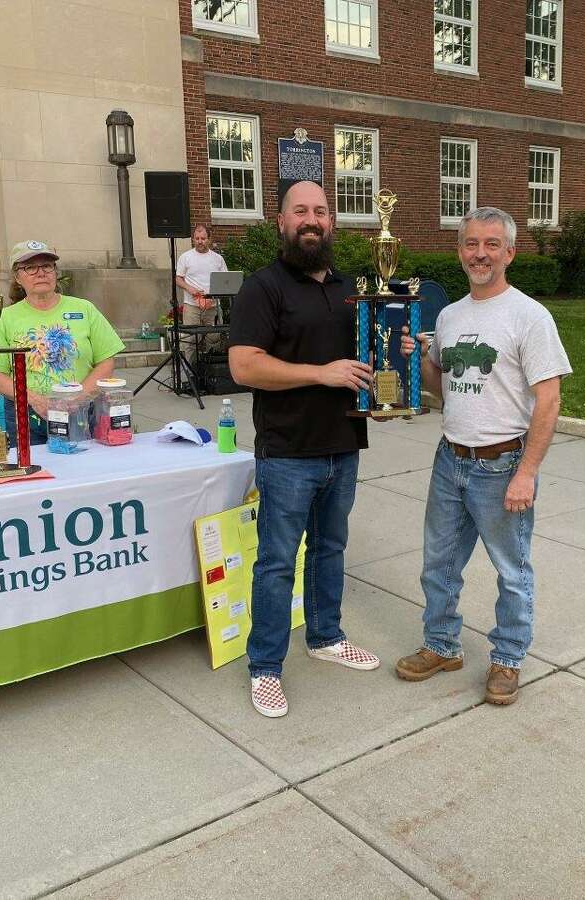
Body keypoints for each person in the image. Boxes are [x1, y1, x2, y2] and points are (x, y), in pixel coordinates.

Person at [394, 207, 571, 706]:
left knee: (511, 569)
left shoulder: (530, 316)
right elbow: (440, 391)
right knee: (438, 563)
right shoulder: (449, 316)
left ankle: (508, 659)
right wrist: (420, 359)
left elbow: (550, 399)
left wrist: (528, 473)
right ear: (460, 252)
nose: (480, 253)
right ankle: (441, 644)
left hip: (502, 465)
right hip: (451, 459)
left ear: (510, 252)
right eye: (472, 243)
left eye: (492, 244)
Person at [228, 180, 378, 719]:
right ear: (282, 221)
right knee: (275, 563)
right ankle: (265, 667)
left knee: (330, 549)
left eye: (319, 210)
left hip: (344, 444)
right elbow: (244, 365)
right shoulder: (263, 288)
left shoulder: (347, 288)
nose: (310, 219)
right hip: (288, 452)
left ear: (331, 222)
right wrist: (322, 374)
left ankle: (325, 637)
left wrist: (402, 347)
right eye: (300, 211)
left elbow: (367, 357)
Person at [0, 241, 124, 445]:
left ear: (55, 272)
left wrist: (77, 398)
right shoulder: (4, 318)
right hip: (26, 414)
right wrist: (36, 400)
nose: (40, 273)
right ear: (17, 277)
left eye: (47, 266)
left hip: (81, 412)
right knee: (34, 472)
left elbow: (106, 361)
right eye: (30, 267)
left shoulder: (84, 309)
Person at [175, 225, 228, 353]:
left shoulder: (218, 259)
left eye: (203, 238)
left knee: (214, 339)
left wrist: (216, 295)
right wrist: (190, 288)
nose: (200, 241)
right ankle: (189, 371)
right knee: (190, 340)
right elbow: (178, 278)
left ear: (209, 239)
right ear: (193, 239)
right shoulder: (186, 257)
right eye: (197, 238)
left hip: (212, 306)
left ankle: (212, 370)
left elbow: (226, 280)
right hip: (192, 306)